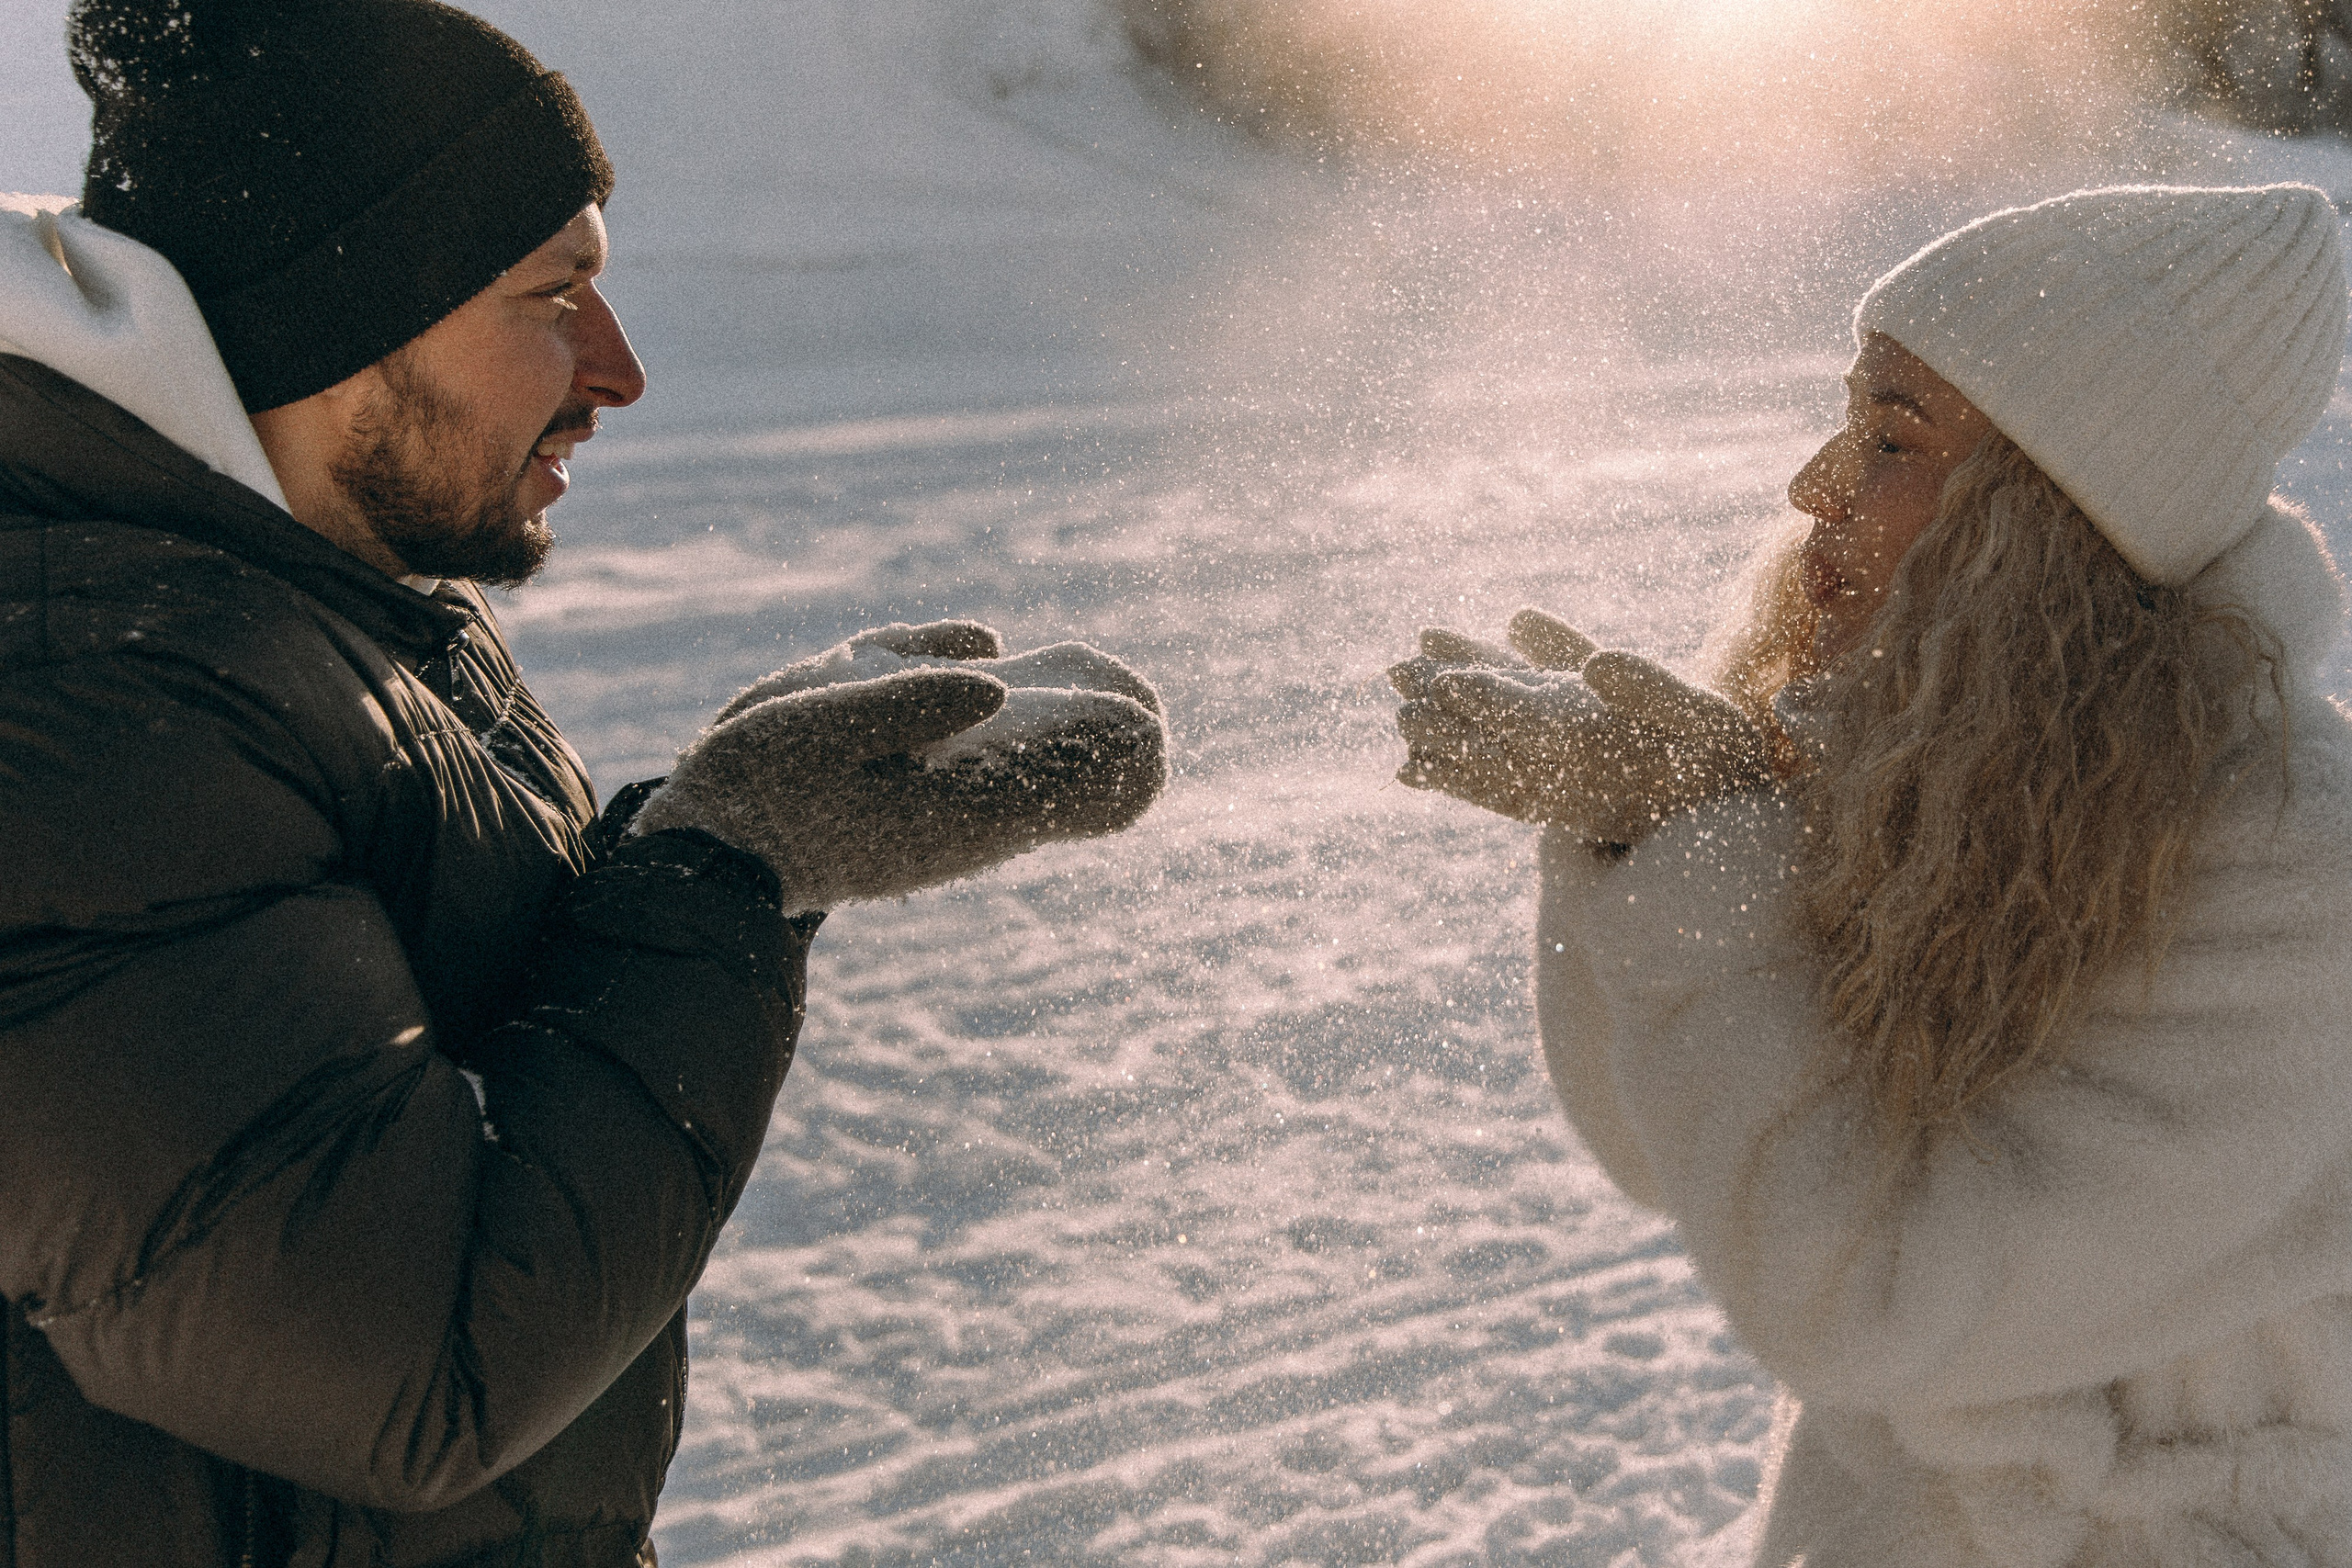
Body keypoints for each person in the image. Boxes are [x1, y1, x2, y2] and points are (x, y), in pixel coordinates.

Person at [0, 3, 1164, 1564]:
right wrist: (721, 878)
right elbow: (411, 1364)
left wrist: (722, 843)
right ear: (345, 314)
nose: (618, 374)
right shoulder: (95, 702)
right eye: (553, 298)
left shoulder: (317, 602)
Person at [1392, 183, 2352, 1563]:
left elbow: (1880, 1294)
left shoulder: (2295, 878)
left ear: (2047, 507)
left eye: (1888, 438)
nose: (1815, 489)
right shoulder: (1944, 769)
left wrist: (1694, 853)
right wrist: (1627, 830)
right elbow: (1669, 1156)